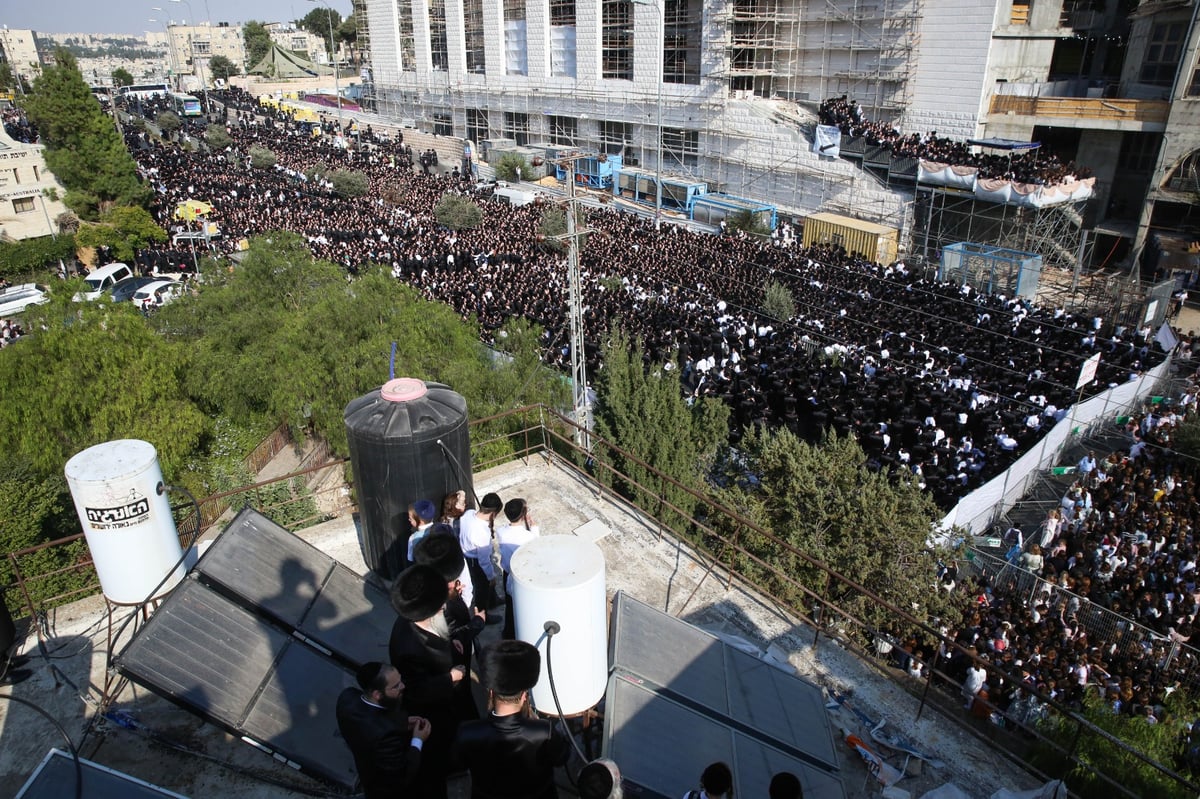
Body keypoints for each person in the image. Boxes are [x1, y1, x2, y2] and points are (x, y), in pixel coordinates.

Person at [388, 564, 471, 799]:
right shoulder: (409, 648)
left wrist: (450, 642)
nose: (443, 606)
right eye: (439, 605)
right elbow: (417, 690)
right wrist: (450, 678)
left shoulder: (413, 622)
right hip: (434, 710)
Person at [454, 640, 571, 798]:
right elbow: (562, 757)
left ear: (491, 693)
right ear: (524, 696)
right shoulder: (543, 731)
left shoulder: (467, 732)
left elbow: (459, 763)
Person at [335, 661, 431, 799]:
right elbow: (403, 774)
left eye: (400, 680)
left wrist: (401, 724)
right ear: (377, 695)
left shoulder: (346, 698)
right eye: (396, 686)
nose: (402, 686)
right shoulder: (385, 737)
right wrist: (418, 740)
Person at [459, 492, 504, 612]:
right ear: (493, 513)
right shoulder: (482, 532)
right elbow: (484, 561)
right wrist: (491, 576)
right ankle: (483, 615)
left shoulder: (468, 513)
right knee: (482, 588)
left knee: (484, 586)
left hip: (467, 554)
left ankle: (494, 600)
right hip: (475, 561)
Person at [406, 499, 438, 564]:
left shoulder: (413, 538)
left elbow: (410, 559)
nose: (409, 519)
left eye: (411, 518)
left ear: (421, 521)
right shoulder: (442, 529)